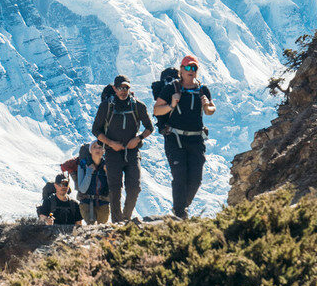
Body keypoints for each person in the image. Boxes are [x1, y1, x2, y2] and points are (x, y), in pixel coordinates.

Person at [152, 54, 215, 219]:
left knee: (195, 179)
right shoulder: (171, 88)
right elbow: (157, 110)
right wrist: (172, 104)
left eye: (194, 68)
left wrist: (207, 106)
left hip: (196, 139)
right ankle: (180, 213)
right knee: (179, 176)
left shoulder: (202, 90)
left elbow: (210, 110)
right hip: (176, 139)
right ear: (181, 69)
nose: (191, 70)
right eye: (187, 67)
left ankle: (181, 207)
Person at [92, 75, 153, 223]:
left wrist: (138, 139)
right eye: (120, 88)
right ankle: (117, 222)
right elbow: (96, 130)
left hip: (132, 152)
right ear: (114, 88)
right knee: (115, 190)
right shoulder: (106, 106)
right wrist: (111, 143)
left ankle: (126, 218)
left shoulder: (138, 106)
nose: (123, 91)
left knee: (134, 187)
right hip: (113, 153)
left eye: (126, 87)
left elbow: (150, 128)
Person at [75, 140, 110, 225]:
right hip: (86, 203)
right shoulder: (83, 165)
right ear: (90, 151)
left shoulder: (108, 165)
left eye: (100, 147)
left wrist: (108, 173)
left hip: (103, 202)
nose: (97, 149)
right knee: (91, 227)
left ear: (104, 151)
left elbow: (112, 188)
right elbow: (82, 189)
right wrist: (89, 172)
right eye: (94, 147)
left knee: (102, 228)